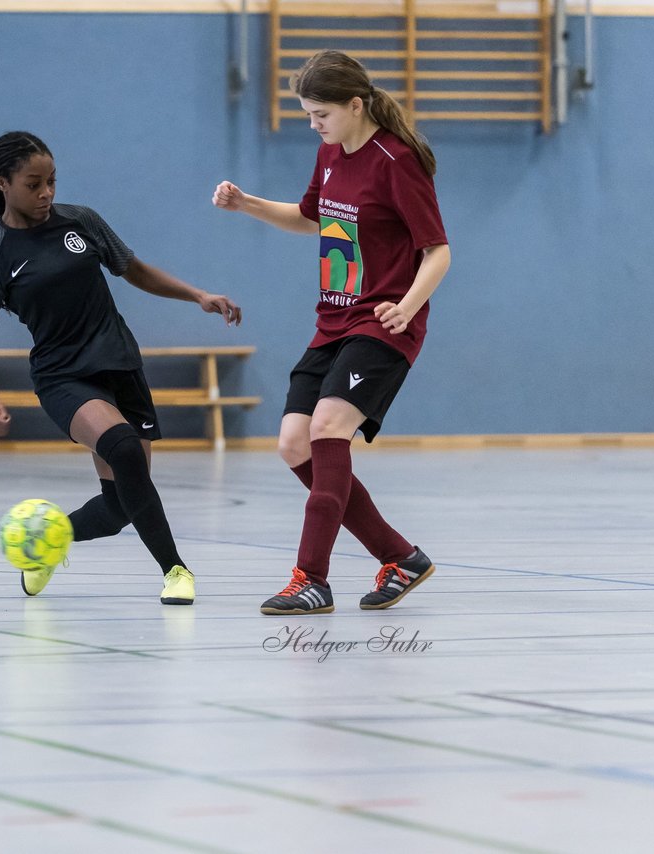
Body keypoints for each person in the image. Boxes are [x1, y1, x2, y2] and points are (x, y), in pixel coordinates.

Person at [212, 50, 451, 615]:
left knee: (327, 427)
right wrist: (247, 204)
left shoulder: (396, 161)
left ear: (355, 104)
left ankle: (311, 578)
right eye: (308, 115)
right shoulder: (328, 153)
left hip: (384, 323)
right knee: (294, 444)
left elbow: (437, 252)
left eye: (321, 114)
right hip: (334, 320)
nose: (314, 125)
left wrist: (407, 305)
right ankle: (400, 557)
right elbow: (313, 218)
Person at [0, 131, 241, 606]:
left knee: (119, 508)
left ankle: (48, 543)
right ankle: (176, 570)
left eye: (51, 181)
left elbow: (133, 269)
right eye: (34, 184)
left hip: (120, 364)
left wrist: (198, 295)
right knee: (125, 451)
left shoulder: (82, 221)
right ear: (1, 184)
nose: (47, 192)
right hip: (63, 377)